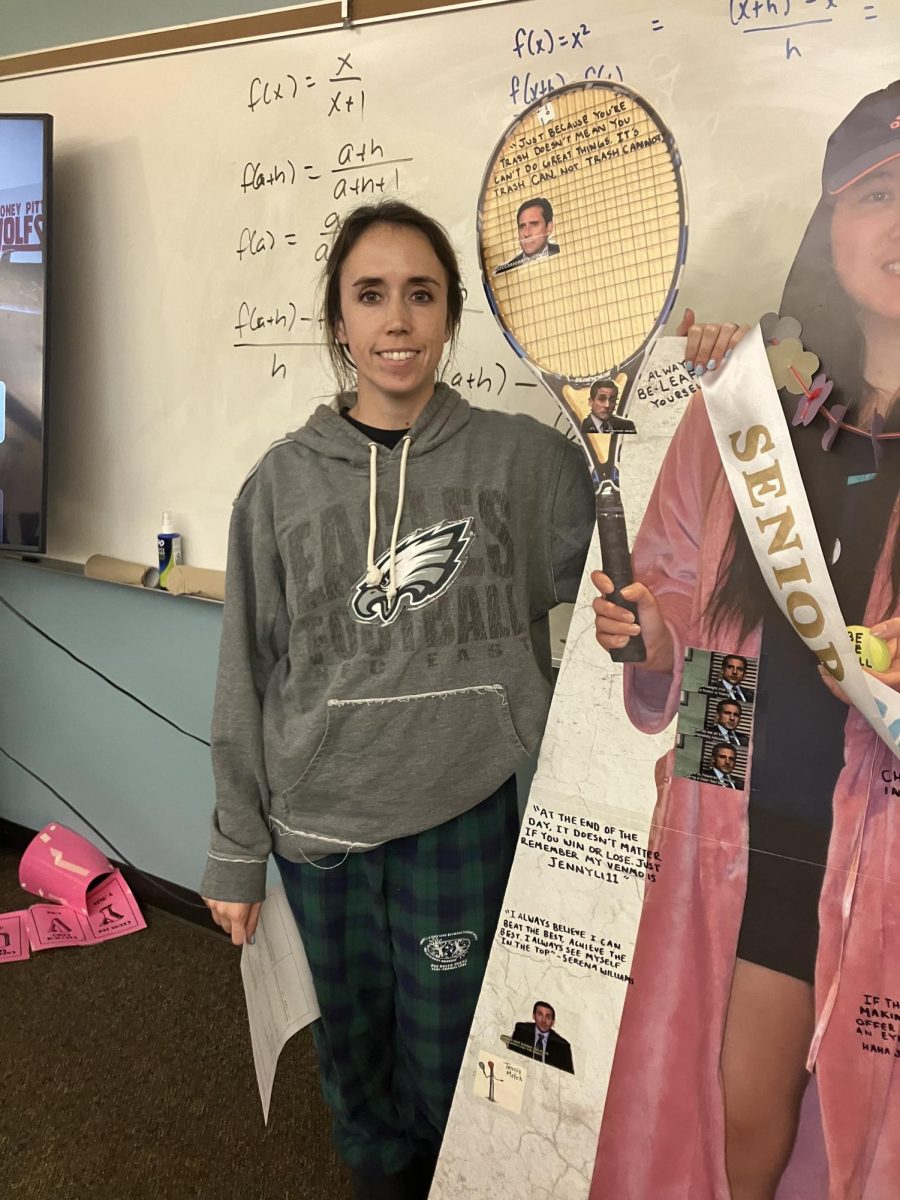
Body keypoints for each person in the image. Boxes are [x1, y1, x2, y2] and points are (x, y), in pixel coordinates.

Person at [200, 199, 597, 1200]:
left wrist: (707, 378)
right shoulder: (281, 487)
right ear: (339, 321)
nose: (397, 320)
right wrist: (235, 854)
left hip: (459, 815)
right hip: (320, 830)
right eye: (370, 295)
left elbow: (638, 541)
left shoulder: (521, 461)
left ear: (452, 315)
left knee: (457, 1056)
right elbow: (245, 674)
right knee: (357, 1061)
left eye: (421, 294)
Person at [591, 80, 900, 1200]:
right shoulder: (751, 405)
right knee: (740, 1133)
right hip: (756, 822)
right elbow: (671, 599)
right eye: (878, 193)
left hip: (895, 856)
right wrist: (648, 632)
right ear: (832, 222)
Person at [494, 197, 560, 273]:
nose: (526, 233)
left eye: (534, 224)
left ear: (549, 227)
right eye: (522, 226)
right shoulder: (504, 272)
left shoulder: (566, 251)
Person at [508, 1001, 575, 1074]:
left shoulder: (563, 1046)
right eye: (540, 1014)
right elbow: (510, 1057)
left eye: (548, 1017)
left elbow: (567, 1076)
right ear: (534, 1016)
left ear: (553, 1022)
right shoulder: (522, 1030)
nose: (543, 1020)